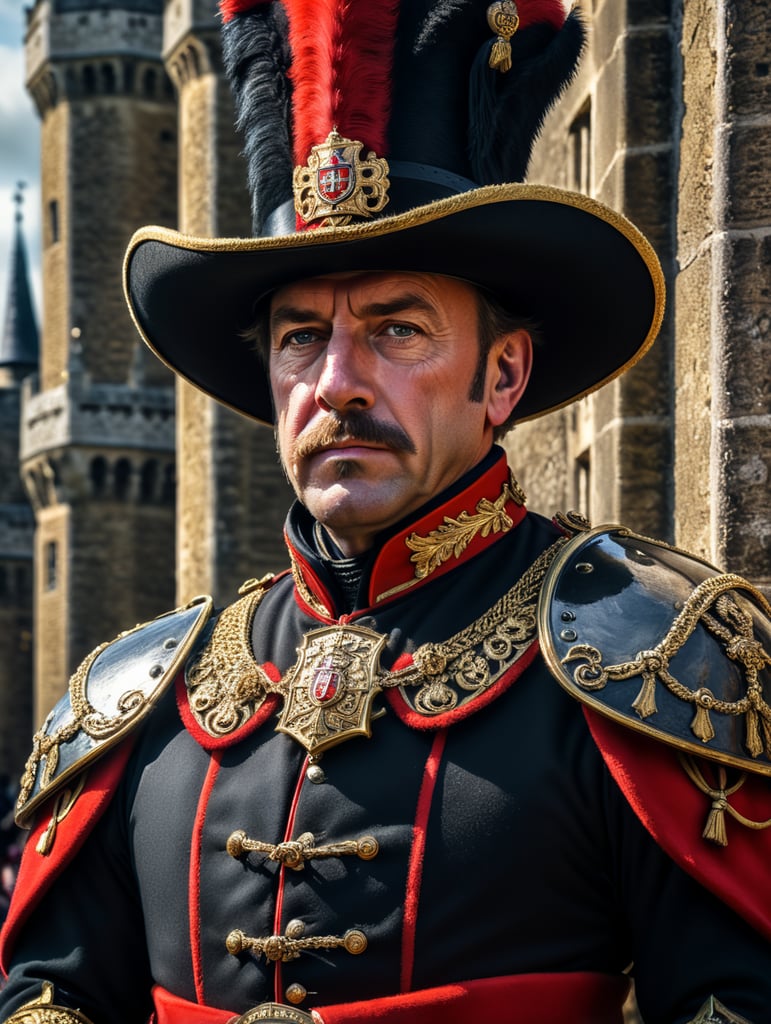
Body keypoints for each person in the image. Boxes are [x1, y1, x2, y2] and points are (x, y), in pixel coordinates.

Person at [1, 2, 771, 1023]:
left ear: (502, 374)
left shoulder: (663, 663)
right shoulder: (138, 699)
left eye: (396, 330)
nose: (338, 383)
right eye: (299, 338)